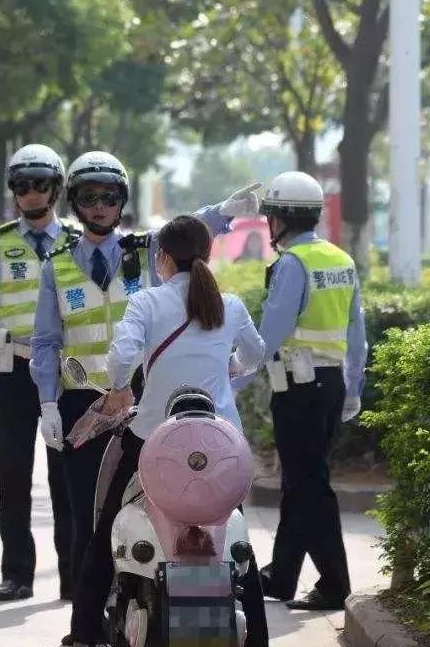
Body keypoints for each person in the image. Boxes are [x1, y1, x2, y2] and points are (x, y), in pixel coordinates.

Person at [29, 151, 259, 646]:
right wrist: (48, 401)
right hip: (84, 406)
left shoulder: (144, 253)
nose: (98, 206)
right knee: (92, 520)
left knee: (110, 518)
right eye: (88, 197)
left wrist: (226, 210)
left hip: (139, 415)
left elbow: (190, 229)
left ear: (122, 202)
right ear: (75, 202)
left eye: (108, 197)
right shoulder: (58, 267)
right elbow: (46, 340)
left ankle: (85, 633)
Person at [69, 214, 269, 647]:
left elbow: (122, 355)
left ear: (161, 258)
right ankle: (256, 638)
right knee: (234, 543)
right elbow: (257, 353)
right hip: (220, 444)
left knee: (106, 532)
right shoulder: (229, 305)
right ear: (208, 254)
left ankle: (84, 632)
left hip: (153, 440)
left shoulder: (147, 302)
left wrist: (121, 388)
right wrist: (230, 367)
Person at [248, 171, 367, 611]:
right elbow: (358, 332)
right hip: (331, 385)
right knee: (301, 483)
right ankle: (281, 576)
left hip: (298, 389)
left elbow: (269, 336)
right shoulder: (340, 260)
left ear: (280, 218)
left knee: (310, 485)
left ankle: (335, 584)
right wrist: (354, 386)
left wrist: (232, 376)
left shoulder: (292, 264)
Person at [0, 144, 79, 602]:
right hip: (12, 370)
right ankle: (17, 573)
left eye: (38, 185)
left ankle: (74, 575)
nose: (29, 194)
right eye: (21, 185)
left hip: (63, 373)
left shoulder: (77, 240)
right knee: (12, 476)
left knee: (66, 478)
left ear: (55, 189)